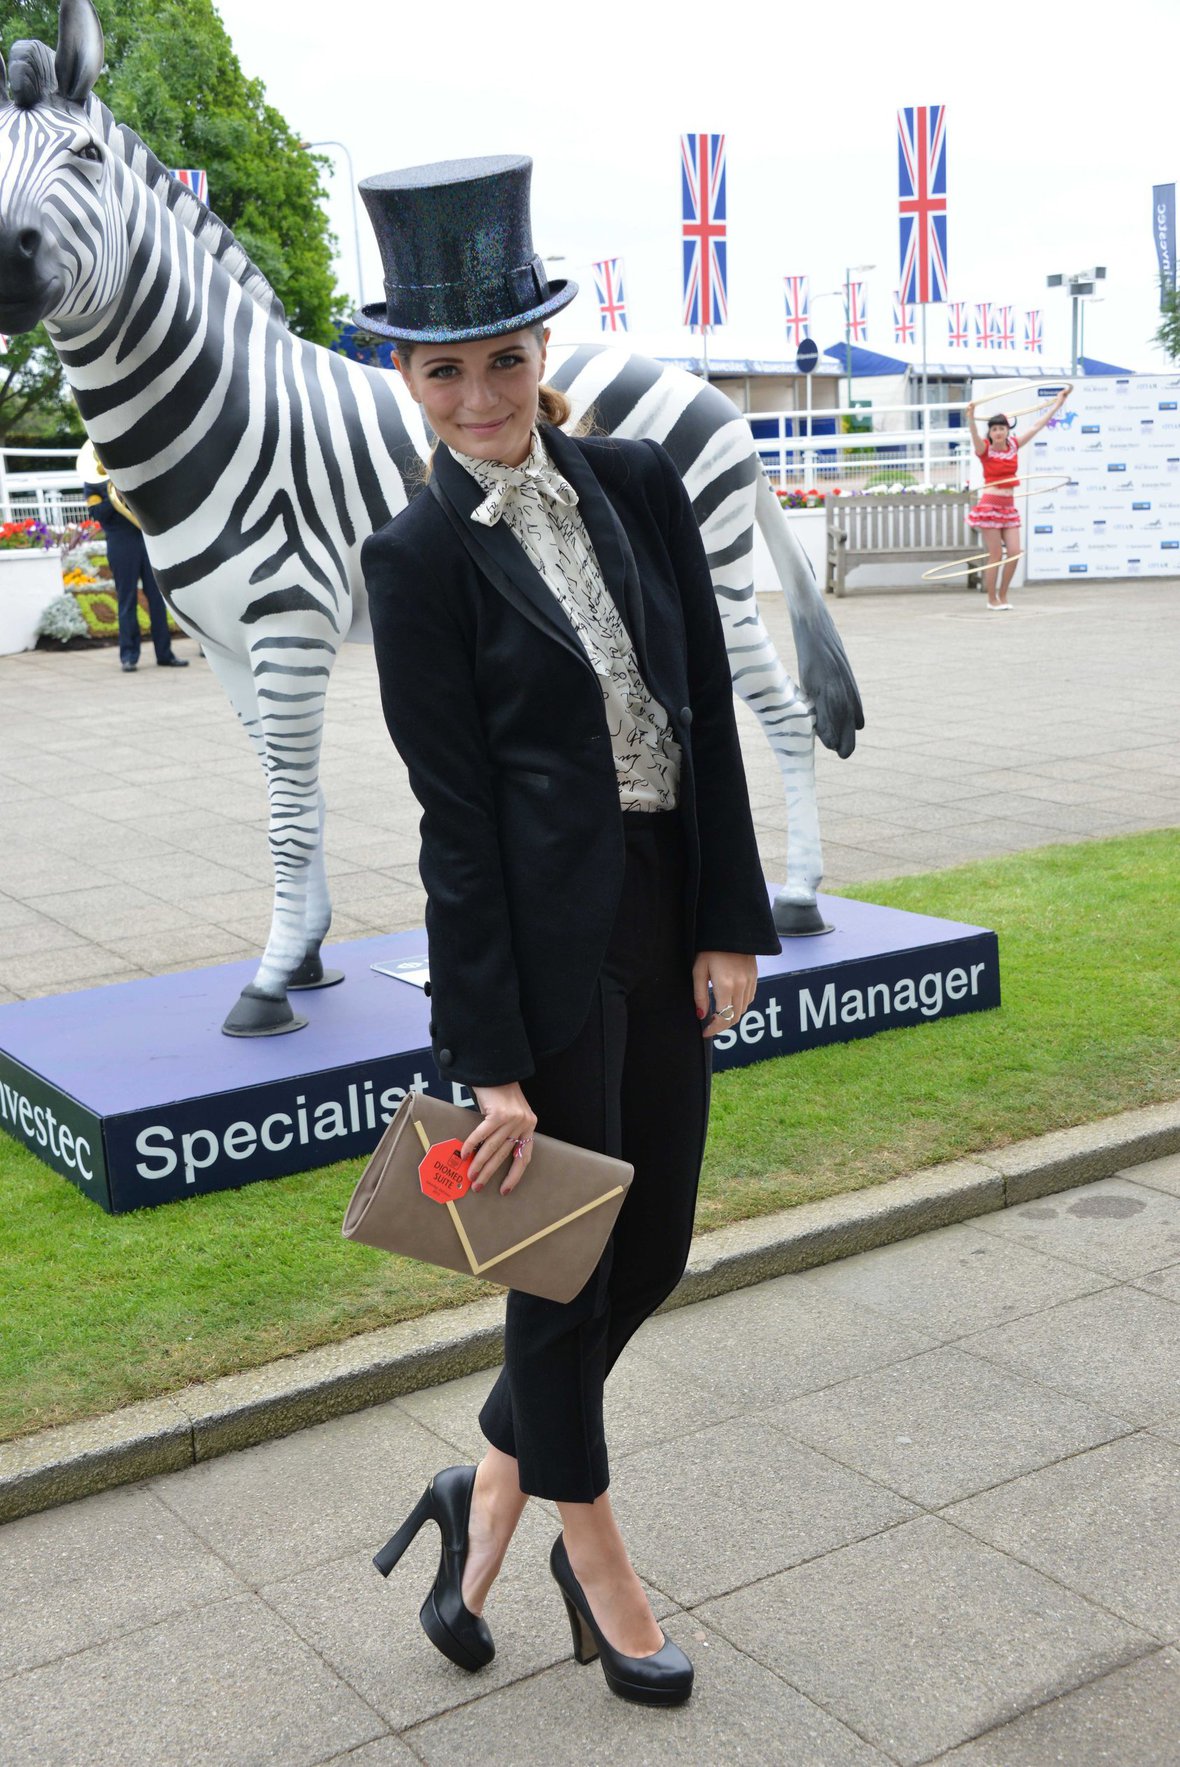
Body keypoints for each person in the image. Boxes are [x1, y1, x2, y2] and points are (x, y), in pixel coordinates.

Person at [358, 156, 780, 1708]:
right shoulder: (412, 564)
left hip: (667, 907)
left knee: (650, 1243)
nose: (482, 393)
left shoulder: (644, 485)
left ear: (547, 350)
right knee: (560, 1275)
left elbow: (709, 711)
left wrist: (728, 913)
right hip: (539, 959)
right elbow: (453, 826)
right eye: (446, 367)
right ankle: (593, 1558)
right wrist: (488, 1062)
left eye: (506, 358)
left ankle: (484, 1480)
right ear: (408, 377)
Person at [76, 441, 188, 671]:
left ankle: (164, 654)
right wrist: (115, 495)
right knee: (126, 600)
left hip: (146, 541)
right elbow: (99, 514)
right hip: (120, 543)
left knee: (158, 599)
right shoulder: (93, 483)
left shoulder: (132, 474)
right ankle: (129, 656)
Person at [965, 386, 1071, 608]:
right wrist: (971, 418)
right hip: (990, 506)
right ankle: (991, 599)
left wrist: (1057, 404)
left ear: (1007, 430)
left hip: (1008, 507)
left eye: (1002, 428)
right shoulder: (984, 449)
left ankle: (1003, 596)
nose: (998, 432)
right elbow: (974, 437)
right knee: (996, 555)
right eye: (994, 429)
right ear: (990, 432)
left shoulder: (1014, 445)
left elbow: (1037, 426)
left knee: (1014, 553)